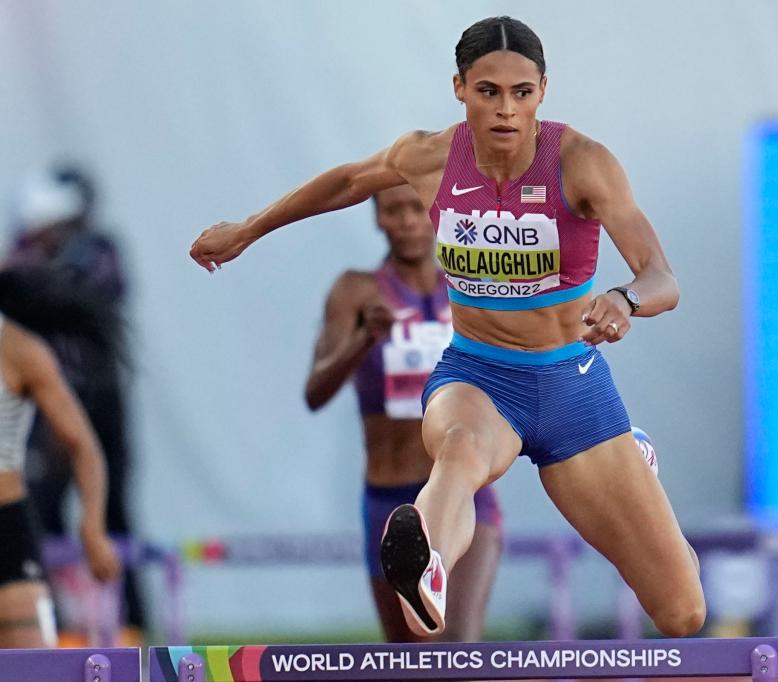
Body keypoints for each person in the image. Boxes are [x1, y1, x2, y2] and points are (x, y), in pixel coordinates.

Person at [190, 15, 705, 638]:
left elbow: (662, 279)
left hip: (571, 383)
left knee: (682, 612)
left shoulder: (583, 163)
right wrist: (249, 228)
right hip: (479, 375)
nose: (506, 111)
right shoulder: (431, 156)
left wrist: (625, 298)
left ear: (543, 89)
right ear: (460, 88)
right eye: (488, 91)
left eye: (522, 93)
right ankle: (425, 562)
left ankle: (630, 448)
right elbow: (348, 181)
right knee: (457, 453)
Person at [304, 185, 502, 642]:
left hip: (464, 492)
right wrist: (362, 340)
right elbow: (315, 391)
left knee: (458, 651)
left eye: (418, 209)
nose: (409, 221)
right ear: (377, 218)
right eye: (394, 210)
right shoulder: (357, 290)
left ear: (437, 215)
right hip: (390, 500)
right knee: (409, 659)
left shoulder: (470, 292)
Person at [7, 164, 145, 637]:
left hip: (98, 396)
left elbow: (80, 297)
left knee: (114, 510)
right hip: (44, 404)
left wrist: (28, 281)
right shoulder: (27, 257)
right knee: (41, 509)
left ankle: (131, 621)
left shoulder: (97, 251)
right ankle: (59, 621)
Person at [0, 267, 121, 648]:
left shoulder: (20, 352)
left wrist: (92, 526)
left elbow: (83, 445)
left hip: (6, 527)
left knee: (33, 665)